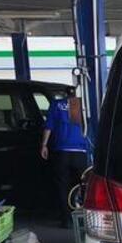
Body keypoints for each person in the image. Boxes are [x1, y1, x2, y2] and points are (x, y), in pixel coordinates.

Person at [40, 87, 88, 227]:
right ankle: (83, 218)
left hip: (62, 151)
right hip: (80, 151)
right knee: (83, 186)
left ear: (64, 93)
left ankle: (66, 220)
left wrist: (44, 145)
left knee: (62, 185)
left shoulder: (56, 104)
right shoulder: (82, 105)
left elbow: (49, 126)